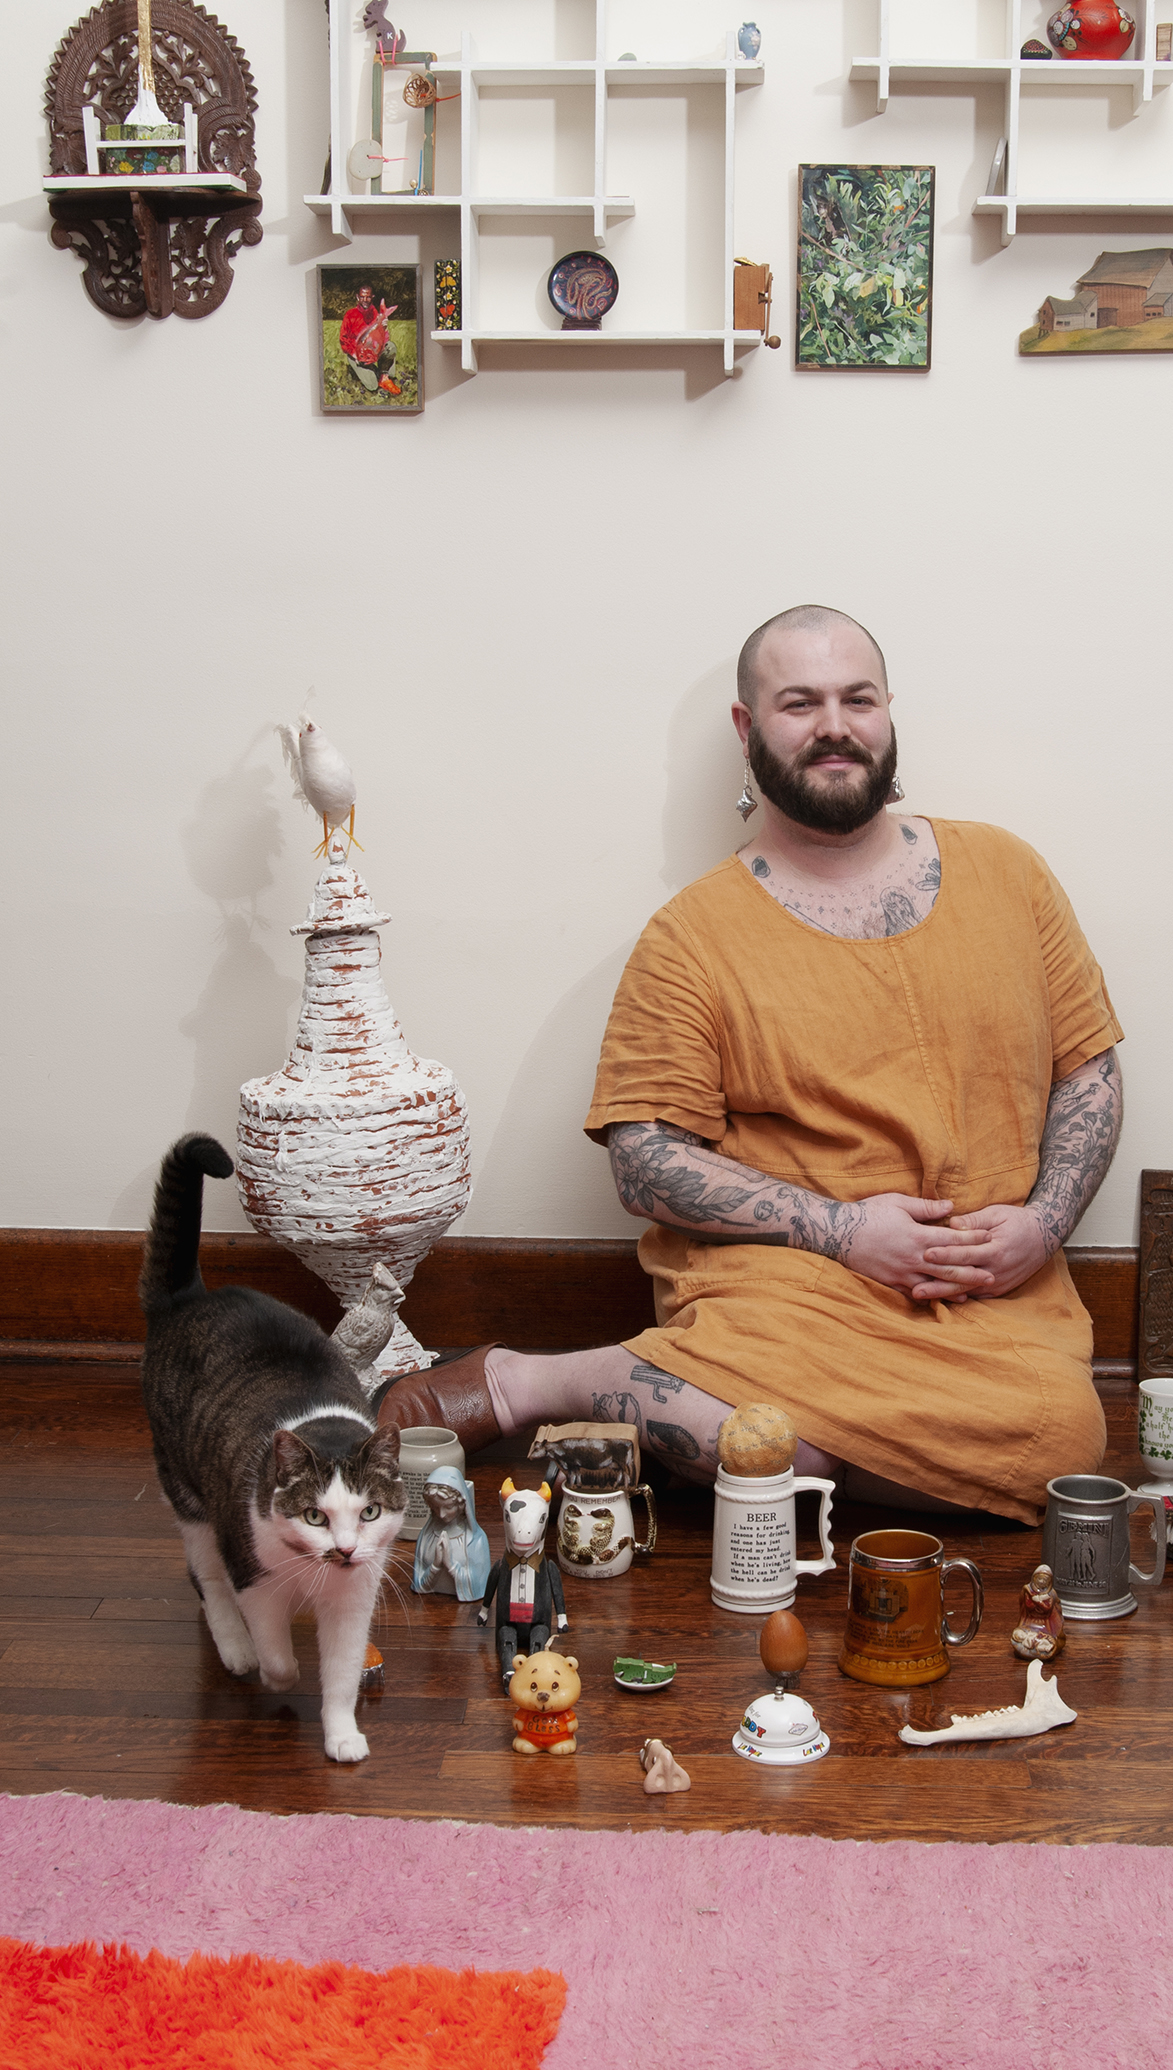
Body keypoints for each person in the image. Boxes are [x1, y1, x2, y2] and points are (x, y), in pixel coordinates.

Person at [378, 605, 1123, 1524]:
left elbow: (1088, 1070)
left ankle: (744, 1444)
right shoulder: (691, 936)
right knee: (769, 1437)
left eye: (857, 699)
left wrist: (1041, 1227)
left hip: (987, 1286)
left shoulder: (1008, 871)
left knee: (1056, 1454)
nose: (834, 727)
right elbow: (642, 1158)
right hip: (789, 1287)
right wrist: (845, 1232)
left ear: (888, 710)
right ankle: (525, 1384)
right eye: (798, 704)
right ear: (747, 729)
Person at [338, 285, 402, 397]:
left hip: (372, 353)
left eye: (368, 297)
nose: (365, 300)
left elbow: (383, 340)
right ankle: (371, 371)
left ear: (372, 297)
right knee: (372, 386)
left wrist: (384, 328)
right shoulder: (350, 314)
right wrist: (355, 354)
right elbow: (343, 339)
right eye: (362, 297)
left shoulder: (376, 315)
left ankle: (384, 377)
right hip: (357, 356)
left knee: (390, 347)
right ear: (357, 297)